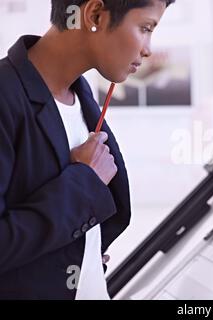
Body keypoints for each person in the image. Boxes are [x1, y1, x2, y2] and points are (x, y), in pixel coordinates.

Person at [0, 0, 174, 299]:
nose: (147, 49)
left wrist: (83, 254)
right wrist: (84, 185)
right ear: (94, 14)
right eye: (145, 28)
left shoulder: (82, 96)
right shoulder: (5, 95)